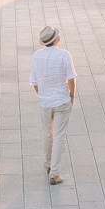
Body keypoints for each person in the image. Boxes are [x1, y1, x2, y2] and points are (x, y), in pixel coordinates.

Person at [30, 24, 77, 184]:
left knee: (47, 134)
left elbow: (34, 81)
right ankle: (54, 174)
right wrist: (72, 97)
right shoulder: (64, 55)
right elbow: (71, 78)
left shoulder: (37, 56)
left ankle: (48, 165)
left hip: (45, 102)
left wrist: (41, 95)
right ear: (56, 40)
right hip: (62, 101)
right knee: (59, 136)